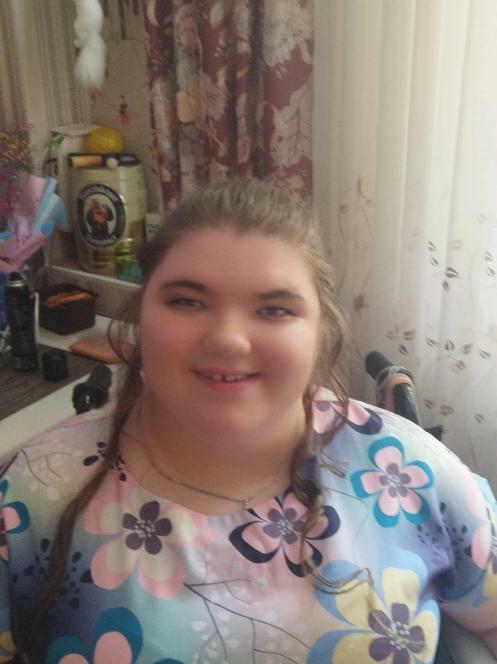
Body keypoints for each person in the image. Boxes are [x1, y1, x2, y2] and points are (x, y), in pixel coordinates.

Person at [0, 179, 496, 663]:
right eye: (187, 301)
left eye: (274, 309)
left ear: (320, 332)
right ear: (140, 313)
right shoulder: (36, 492)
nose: (228, 339)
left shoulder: (413, 472)